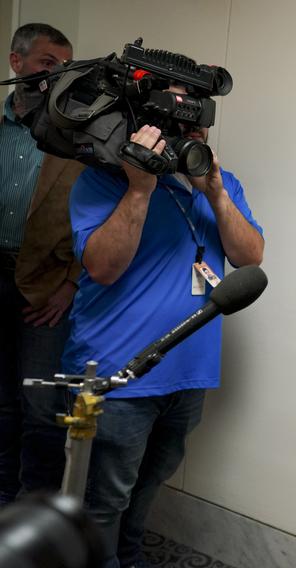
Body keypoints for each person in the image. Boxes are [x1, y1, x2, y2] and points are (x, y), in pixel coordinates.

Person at [62, 101, 264, 566]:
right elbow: (103, 267)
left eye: (196, 124)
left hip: (187, 375)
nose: (187, 133)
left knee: (146, 489)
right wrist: (140, 189)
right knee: (102, 501)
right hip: (116, 375)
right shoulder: (102, 179)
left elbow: (250, 257)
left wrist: (215, 193)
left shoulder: (222, 184)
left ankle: (128, 559)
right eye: (175, 124)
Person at [0, 23, 78, 504]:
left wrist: (71, 283)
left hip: (48, 288)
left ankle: (38, 511)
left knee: (42, 404)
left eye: (64, 68)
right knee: (3, 402)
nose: (56, 76)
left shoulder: (74, 135)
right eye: (48, 63)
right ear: (17, 64)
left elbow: (98, 216)